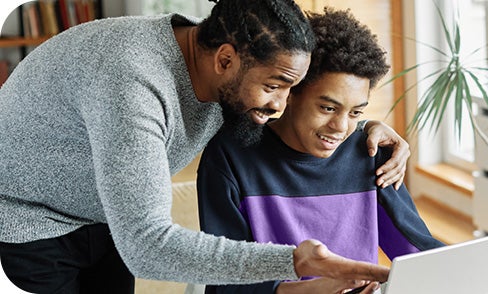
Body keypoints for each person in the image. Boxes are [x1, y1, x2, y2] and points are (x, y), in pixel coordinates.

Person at [0, 0, 407, 293]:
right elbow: (148, 246)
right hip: (32, 220)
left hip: (106, 216)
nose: (279, 105)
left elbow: (300, 113)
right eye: (273, 87)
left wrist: (361, 127)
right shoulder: (133, 84)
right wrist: (294, 261)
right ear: (225, 61)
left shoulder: (232, 47)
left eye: (290, 89)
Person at [197, 7, 445, 294]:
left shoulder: (371, 152)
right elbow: (224, 277)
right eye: (327, 108)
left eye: (355, 113)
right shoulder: (231, 157)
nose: (340, 127)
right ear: (291, 92)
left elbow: (420, 255)